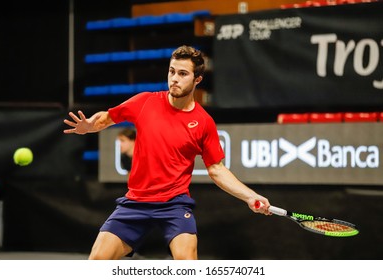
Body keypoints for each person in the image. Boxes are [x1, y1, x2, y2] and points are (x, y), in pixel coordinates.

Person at [63, 45, 271, 260]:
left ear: (197, 80)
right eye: (172, 71)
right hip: (136, 202)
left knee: (187, 267)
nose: (174, 79)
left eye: (182, 74)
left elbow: (217, 169)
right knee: (95, 263)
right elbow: (107, 117)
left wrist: (250, 196)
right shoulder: (145, 102)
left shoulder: (203, 123)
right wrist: (90, 126)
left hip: (174, 204)